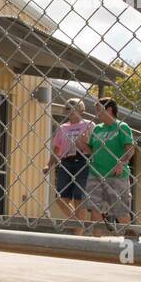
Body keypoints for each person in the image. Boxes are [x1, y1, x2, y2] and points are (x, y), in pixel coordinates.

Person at [85, 97, 136, 237]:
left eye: (98, 110)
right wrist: (81, 143)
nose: (96, 113)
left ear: (109, 109)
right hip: (96, 173)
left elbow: (130, 149)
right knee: (95, 208)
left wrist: (122, 162)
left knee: (120, 210)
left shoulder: (122, 127)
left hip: (116, 175)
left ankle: (130, 239)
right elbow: (91, 150)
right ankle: (96, 241)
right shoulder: (97, 129)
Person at [42, 98, 92, 233]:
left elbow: (95, 148)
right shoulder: (63, 127)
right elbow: (56, 150)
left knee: (78, 198)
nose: (70, 111)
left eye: (73, 108)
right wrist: (48, 165)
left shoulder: (89, 125)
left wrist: (85, 144)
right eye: (68, 108)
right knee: (61, 198)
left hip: (83, 160)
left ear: (81, 110)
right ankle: (78, 222)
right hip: (65, 162)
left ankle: (77, 235)